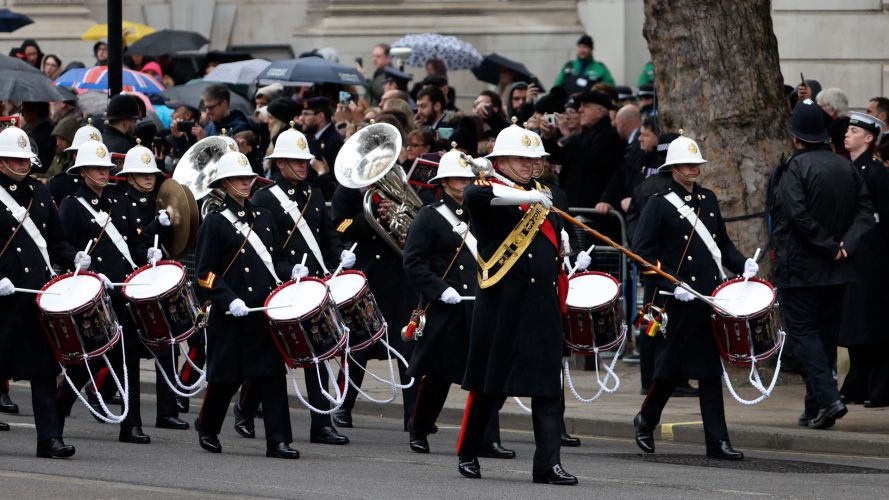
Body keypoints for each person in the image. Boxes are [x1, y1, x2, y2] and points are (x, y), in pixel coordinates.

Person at [457, 122, 576, 485]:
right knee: (491, 387)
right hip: (503, 304)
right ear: (502, 160)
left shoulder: (549, 195)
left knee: (548, 389)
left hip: (541, 305)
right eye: (521, 159)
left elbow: (560, 231)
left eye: (534, 159)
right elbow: (478, 199)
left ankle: (548, 465)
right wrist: (528, 199)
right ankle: (468, 451)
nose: (530, 165)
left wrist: (569, 244)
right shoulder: (485, 190)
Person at [632, 134, 753, 460]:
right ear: (672, 168)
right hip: (674, 301)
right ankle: (646, 419)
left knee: (710, 371)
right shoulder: (658, 202)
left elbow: (722, 246)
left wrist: (744, 265)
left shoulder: (708, 199)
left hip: (706, 297)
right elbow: (642, 254)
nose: (693, 169)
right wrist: (673, 284)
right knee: (669, 370)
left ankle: (717, 441)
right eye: (686, 164)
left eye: (696, 163)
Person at [403, 146, 515, 459]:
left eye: (467, 178)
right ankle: (420, 427)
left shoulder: (484, 213)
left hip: (479, 302)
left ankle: (486, 438)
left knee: (487, 375)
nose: (463, 184)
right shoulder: (429, 217)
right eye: (456, 179)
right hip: (447, 307)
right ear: (444, 183)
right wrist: (439, 290)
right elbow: (413, 263)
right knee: (438, 376)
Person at [246, 124, 353, 446]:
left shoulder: (314, 193)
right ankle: (244, 409)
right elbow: (262, 248)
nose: (304, 165)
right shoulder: (264, 198)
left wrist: (340, 258)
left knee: (317, 350)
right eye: (296, 161)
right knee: (275, 356)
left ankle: (321, 424)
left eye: (305, 160)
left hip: (313, 283)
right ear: (279, 164)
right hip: (282, 284)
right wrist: (284, 270)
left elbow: (328, 235)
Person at [769, 100, 873, 429]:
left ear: (796, 138)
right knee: (825, 337)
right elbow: (865, 211)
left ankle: (828, 397)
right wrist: (845, 246)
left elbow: (796, 215)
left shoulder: (794, 169)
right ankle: (815, 407)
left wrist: (830, 247)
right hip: (836, 268)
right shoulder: (846, 167)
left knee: (803, 336)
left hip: (801, 267)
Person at [193, 151, 298, 458]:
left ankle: (278, 440)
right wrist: (229, 299)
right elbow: (204, 274)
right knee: (226, 378)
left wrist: (291, 271)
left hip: (261, 310)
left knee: (271, 375)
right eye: (238, 178)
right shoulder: (214, 222)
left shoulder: (263, 216)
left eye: (249, 177)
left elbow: (276, 258)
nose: (245, 182)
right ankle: (208, 426)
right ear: (224, 183)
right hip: (231, 312)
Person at [57, 140, 153, 444]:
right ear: (82, 171)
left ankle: (131, 424)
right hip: (93, 293)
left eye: (106, 168)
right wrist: (77, 260)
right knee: (92, 359)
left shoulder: (118, 202)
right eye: (96, 168)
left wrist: (149, 252)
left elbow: (131, 245)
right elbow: (61, 247)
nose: (103, 173)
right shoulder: (72, 205)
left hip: (120, 290)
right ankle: (58, 411)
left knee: (129, 354)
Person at [0, 127, 82, 457]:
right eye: (16, 160)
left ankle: (49, 439)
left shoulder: (41, 192)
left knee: (44, 371)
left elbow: (56, 240)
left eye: (25, 159)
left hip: (37, 295)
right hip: (3, 299)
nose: (23, 165)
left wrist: (73, 255)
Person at [114, 141, 189, 430]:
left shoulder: (161, 202)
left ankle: (166, 411)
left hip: (159, 284)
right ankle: (130, 419)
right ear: (130, 177)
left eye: (152, 174)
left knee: (166, 347)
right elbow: (129, 246)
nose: (148, 178)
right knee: (129, 352)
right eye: (142, 174)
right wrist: (156, 228)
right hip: (135, 285)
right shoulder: (120, 205)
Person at [837, 112, 889, 407]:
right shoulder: (846, 168)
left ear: (868, 138)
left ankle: (879, 386)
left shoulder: (877, 173)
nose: (847, 134)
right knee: (856, 323)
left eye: (854, 131)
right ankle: (858, 383)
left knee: (875, 324)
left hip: (875, 259)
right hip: (852, 257)